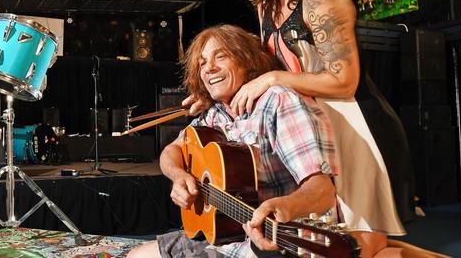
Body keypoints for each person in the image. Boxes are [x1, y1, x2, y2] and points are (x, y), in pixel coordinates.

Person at [183, 0, 415, 258]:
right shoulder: (267, 5)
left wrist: (273, 78)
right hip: (313, 130)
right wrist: (214, 95)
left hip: (357, 130)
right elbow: (263, 71)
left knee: (358, 249)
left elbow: (345, 82)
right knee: (332, 246)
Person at [128, 24, 339, 258]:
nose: (209, 68)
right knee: (137, 255)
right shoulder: (214, 114)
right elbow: (172, 150)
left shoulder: (277, 102)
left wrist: (285, 207)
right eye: (202, 63)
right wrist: (178, 175)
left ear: (247, 61)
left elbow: (322, 190)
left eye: (221, 57)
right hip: (222, 236)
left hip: (270, 243)